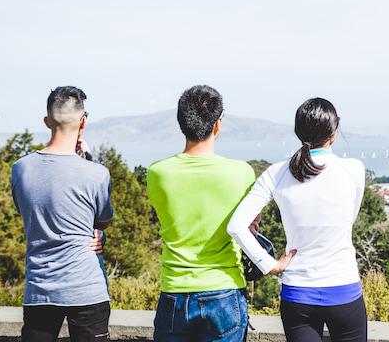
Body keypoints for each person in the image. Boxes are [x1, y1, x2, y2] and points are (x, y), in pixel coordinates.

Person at [228, 98, 367, 342]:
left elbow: (236, 225)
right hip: (343, 288)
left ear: (298, 132)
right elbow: (350, 220)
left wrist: (269, 265)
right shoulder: (354, 169)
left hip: (297, 294)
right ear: (334, 130)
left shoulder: (277, 173)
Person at [147, 85, 256, 342]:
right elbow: (251, 226)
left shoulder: (157, 173)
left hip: (175, 291)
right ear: (217, 125)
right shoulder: (242, 173)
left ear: (181, 123)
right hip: (225, 289)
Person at [11, 86, 113, 342]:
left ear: (46, 122)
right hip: (87, 289)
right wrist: (86, 158)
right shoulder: (96, 172)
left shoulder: (20, 169)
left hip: (39, 290)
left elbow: (30, 211)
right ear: (83, 122)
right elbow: (102, 220)